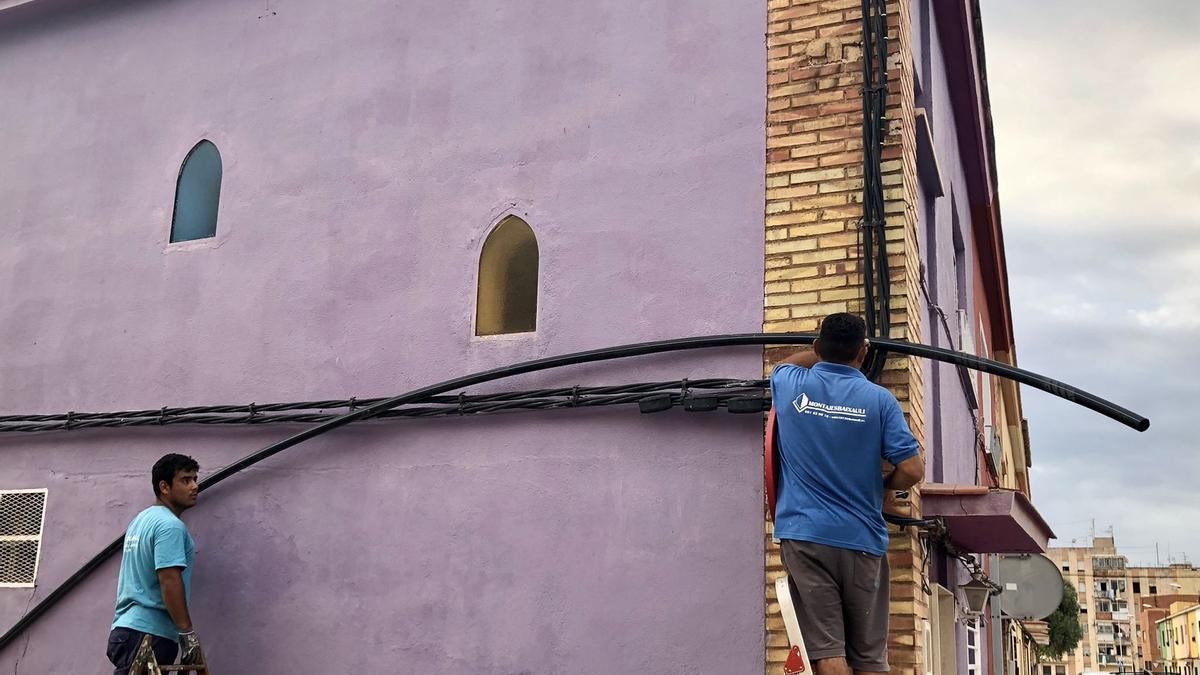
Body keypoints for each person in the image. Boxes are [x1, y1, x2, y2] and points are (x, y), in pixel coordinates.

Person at [770, 313, 925, 675]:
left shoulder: (791, 385)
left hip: (805, 537)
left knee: (826, 650)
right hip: (862, 540)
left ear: (816, 346)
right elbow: (913, 470)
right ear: (865, 351)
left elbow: (786, 363)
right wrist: (884, 488)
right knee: (869, 657)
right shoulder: (880, 400)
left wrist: (822, 349)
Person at [107, 453, 204, 675]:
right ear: (164, 487)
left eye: (195, 479)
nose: (194, 486)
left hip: (125, 630)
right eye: (185, 480)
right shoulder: (170, 526)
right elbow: (169, 579)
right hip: (150, 634)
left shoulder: (140, 521)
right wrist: (186, 633)